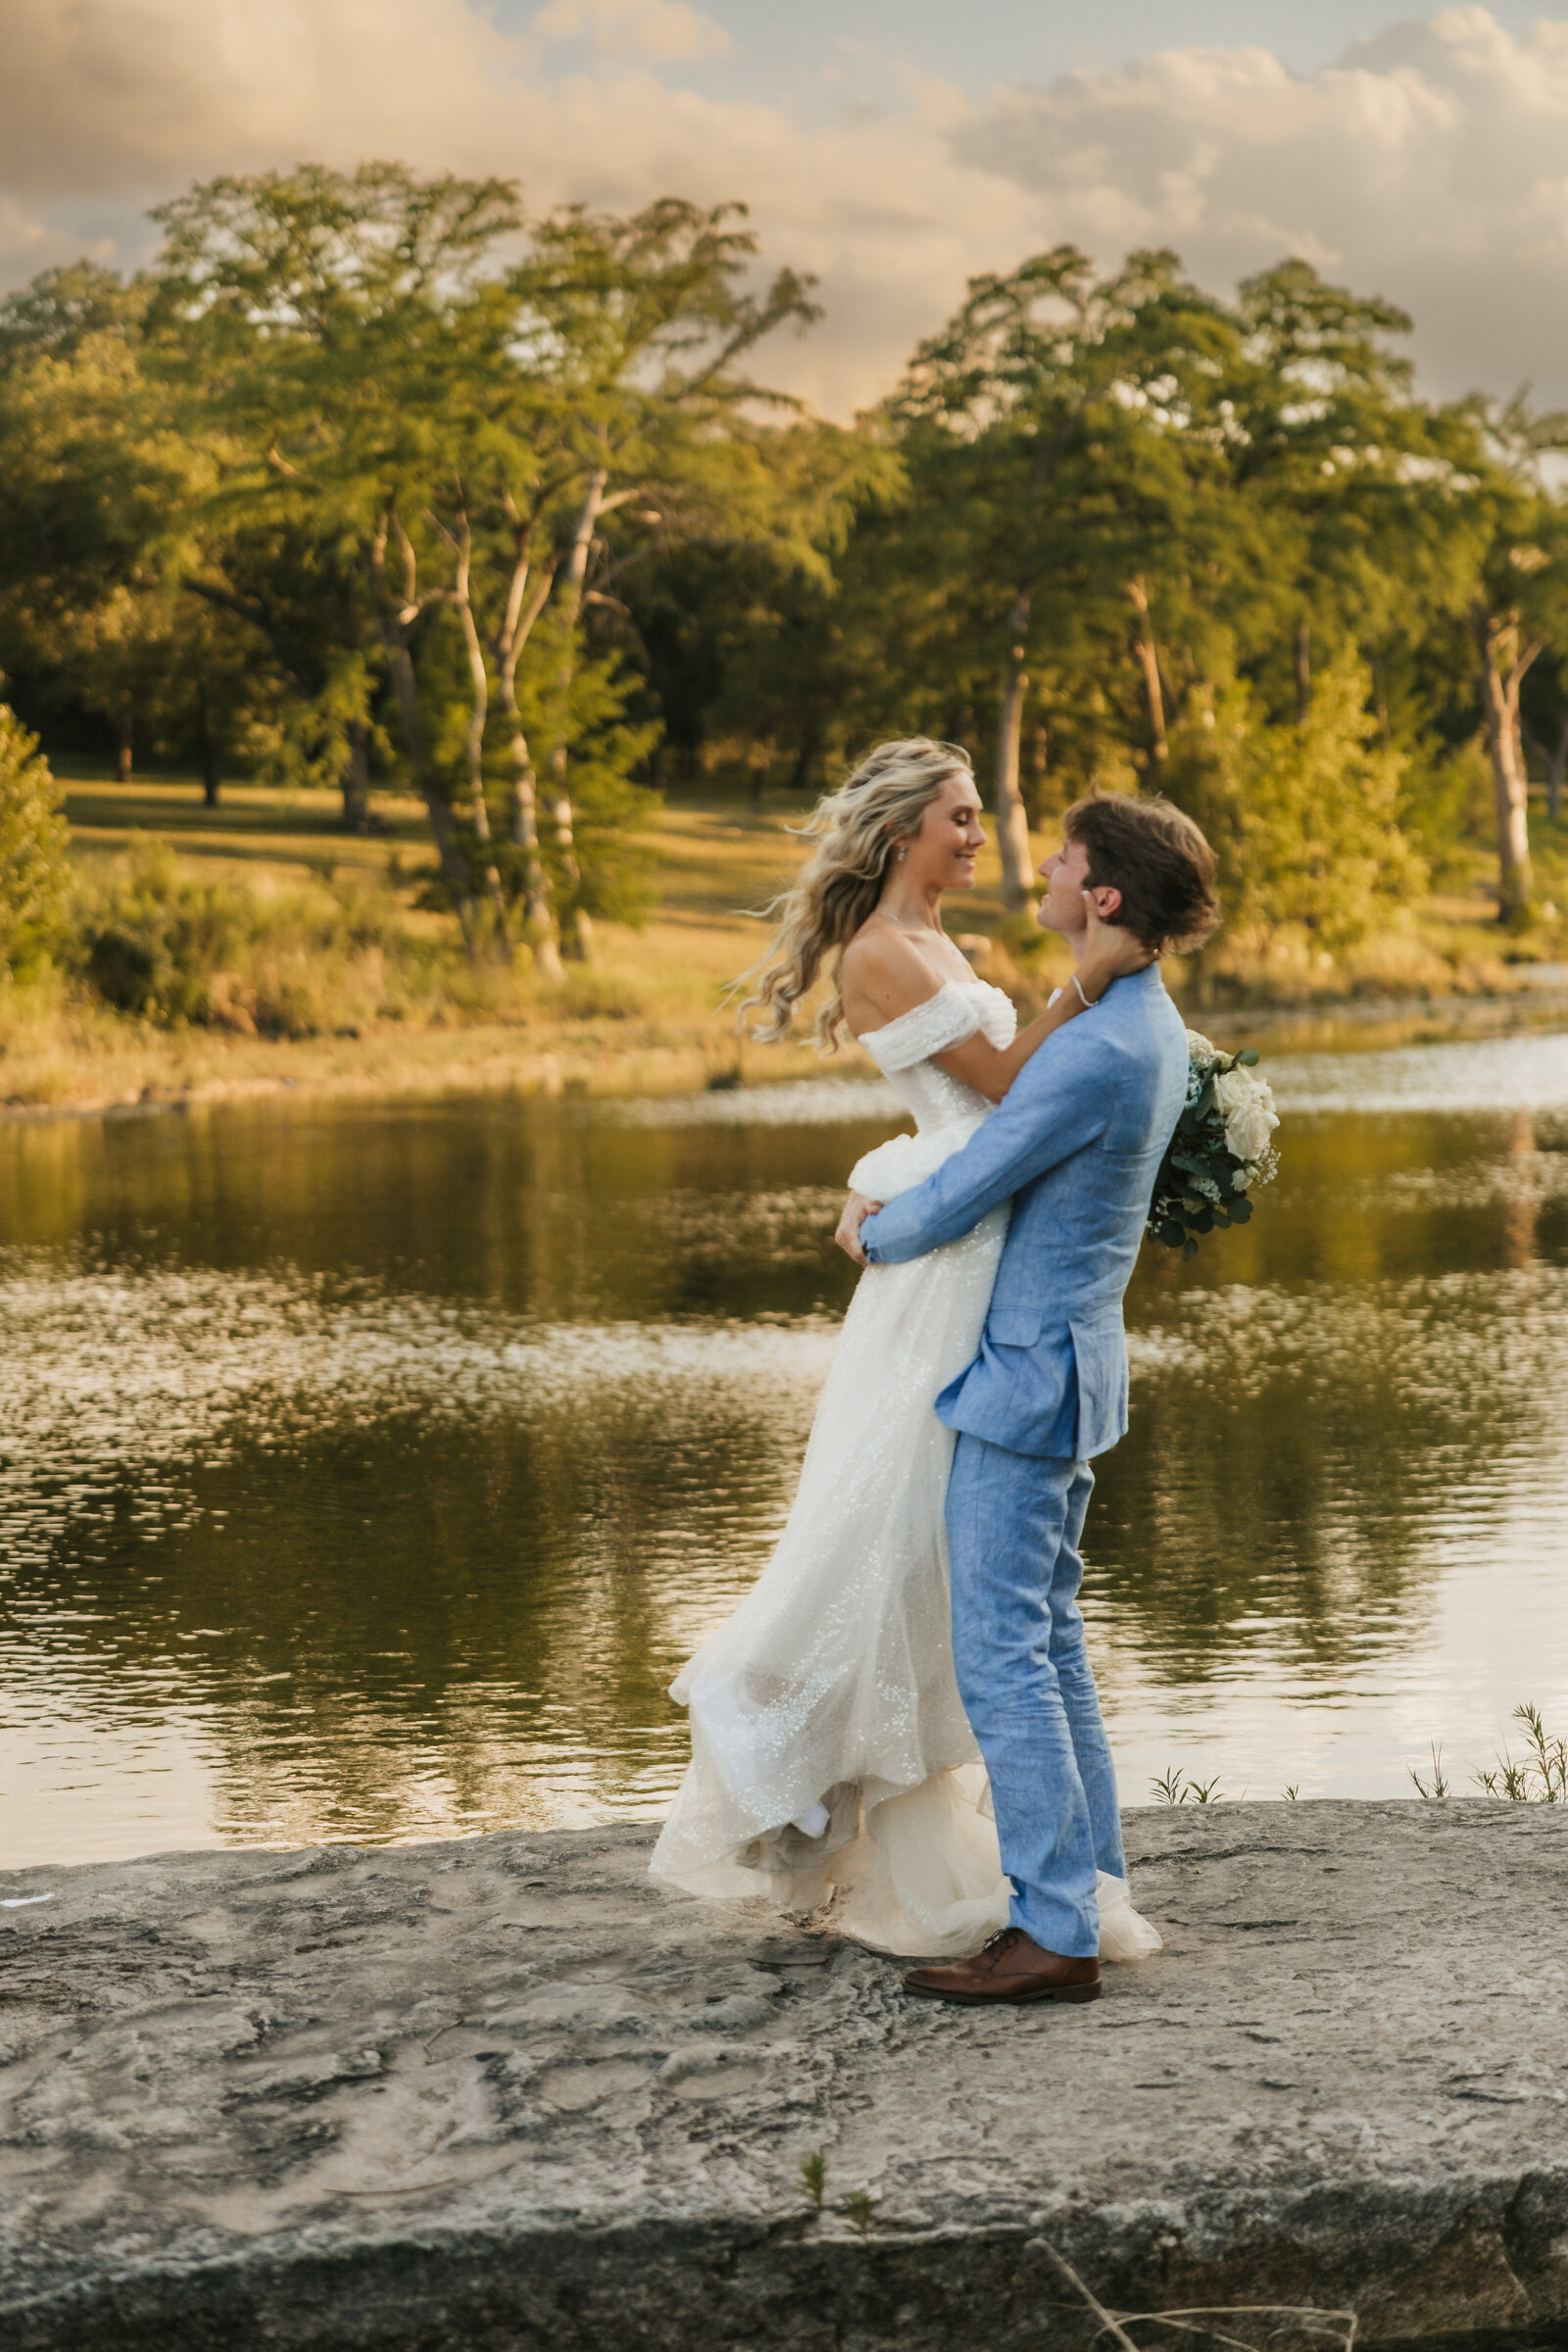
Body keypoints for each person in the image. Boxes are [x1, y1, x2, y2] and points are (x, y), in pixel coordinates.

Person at [648, 738, 1216, 1977]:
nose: (1002, 845)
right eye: (963, 816)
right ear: (905, 828)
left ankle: (1056, 1926)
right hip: (1010, 1331)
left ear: (1102, 897)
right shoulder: (1122, 1016)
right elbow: (991, 1128)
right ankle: (1069, 1894)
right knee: (999, 1616)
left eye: (1052, 855)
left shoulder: (1099, 1030)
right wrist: (892, 1189)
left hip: (1010, 1342)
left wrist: (877, 1218)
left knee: (1004, 1642)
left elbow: (989, 1155)